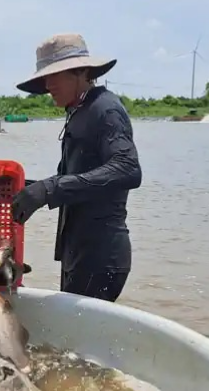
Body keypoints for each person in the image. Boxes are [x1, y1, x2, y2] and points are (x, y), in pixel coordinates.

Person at [11, 33, 142, 302]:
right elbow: (75, 180)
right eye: (45, 78)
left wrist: (50, 189)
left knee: (76, 339)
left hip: (101, 255)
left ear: (81, 72)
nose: (48, 86)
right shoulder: (79, 110)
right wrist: (30, 187)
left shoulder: (105, 109)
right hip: (78, 252)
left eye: (54, 76)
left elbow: (127, 169)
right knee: (69, 341)